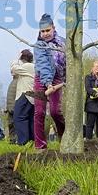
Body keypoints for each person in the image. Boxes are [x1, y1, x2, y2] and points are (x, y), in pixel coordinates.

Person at [33, 14, 66, 149]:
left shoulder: (63, 43)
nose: (45, 34)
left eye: (48, 30)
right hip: (41, 79)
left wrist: (66, 79)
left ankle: (64, 139)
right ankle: (40, 145)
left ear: (53, 28)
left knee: (55, 112)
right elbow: (43, 65)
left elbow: (68, 63)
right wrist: (47, 83)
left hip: (57, 79)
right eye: (43, 31)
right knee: (39, 112)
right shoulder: (39, 45)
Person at [11, 49, 35, 145]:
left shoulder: (27, 66)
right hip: (33, 96)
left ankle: (23, 142)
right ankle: (31, 141)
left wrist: (17, 58)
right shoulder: (34, 67)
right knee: (30, 119)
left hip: (24, 94)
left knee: (19, 118)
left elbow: (13, 69)